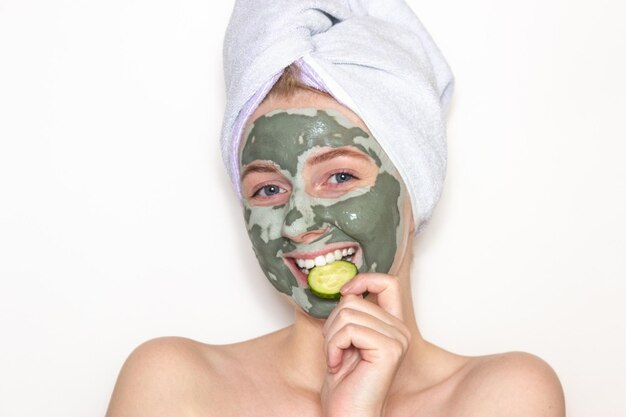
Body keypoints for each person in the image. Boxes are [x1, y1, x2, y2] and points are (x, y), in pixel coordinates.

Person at [106, 1, 565, 415]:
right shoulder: (175, 386)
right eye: (268, 189)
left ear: (414, 184)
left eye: (340, 177)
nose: (298, 223)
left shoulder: (504, 396)